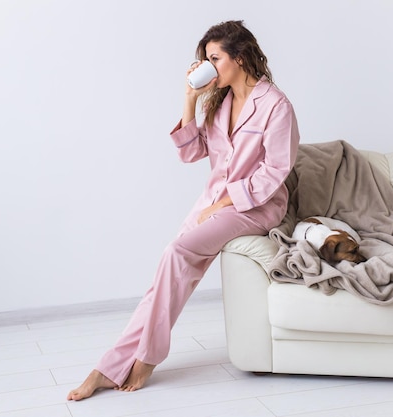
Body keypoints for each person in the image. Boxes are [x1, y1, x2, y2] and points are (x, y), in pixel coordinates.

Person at [67, 20, 300, 401]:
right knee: (163, 277)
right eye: (205, 59)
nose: (207, 65)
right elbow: (191, 152)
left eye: (214, 58)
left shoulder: (276, 105)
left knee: (175, 253)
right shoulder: (220, 102)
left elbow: (275, 170)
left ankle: (148, 357)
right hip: (213, 203)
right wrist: (190, 96)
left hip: (256, 207)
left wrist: (225, 203)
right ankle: (107, 368)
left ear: (239, 58)